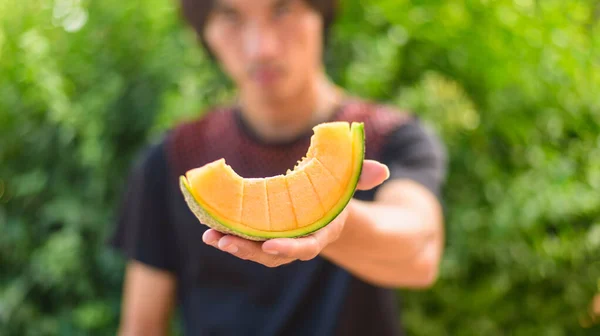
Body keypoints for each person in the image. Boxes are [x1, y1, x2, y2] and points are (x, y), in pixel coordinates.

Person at [108, 0, 448, 335]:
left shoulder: (393, 138)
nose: (262, 48)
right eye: (230, 17)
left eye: (283, 9)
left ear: (321, 15)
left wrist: (336, 219)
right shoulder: (171, 159)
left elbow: (420, 250)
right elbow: (141, 327)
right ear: (205, 33)